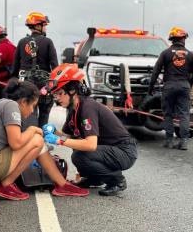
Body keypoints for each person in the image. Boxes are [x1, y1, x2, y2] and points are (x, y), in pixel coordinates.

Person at [0, 79, 88, 201]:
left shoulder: (3, 103)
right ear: (23, 102)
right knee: (37, 141)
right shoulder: (11, 106)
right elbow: (16, 143)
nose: (32, 110)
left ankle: (62, 185)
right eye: (32, 105)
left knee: (36, 140)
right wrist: (32, 129)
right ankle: (6, 185)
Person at [43, 63, 137, 196]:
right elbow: (70, 137)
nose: (57, 98)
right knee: (77, 147)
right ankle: (94, 178)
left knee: (80, 155)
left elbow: (91, 145)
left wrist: (59, 141)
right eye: (55, 95)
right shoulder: (73, 108)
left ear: (72, 90)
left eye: (59, 93)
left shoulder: (87, 108)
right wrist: (54, 132)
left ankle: (116, 180)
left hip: (124, 151)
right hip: (108, 149)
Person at [148, 27, 193, 150]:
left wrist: (151, 88)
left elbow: (155, 72)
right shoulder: (191, 55)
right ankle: (183, 142)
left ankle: (169, 140)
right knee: (184, 114)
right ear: (183, 39)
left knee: (168, 114)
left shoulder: (165, 53)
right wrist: (189, 83)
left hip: (169, 86)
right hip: (184, 86)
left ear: (171, 39)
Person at [13, 12, 58, 128]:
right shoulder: (48, 42)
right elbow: (55, 67)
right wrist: (54, 85)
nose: (45, 28)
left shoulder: (22, 42)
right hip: (43, 85)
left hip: (26, 84)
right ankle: (41, 141)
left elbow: (15, 68)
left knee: (28, 114)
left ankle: (28, 140)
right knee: (44, 112)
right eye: (44, 25)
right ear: (38, 26)